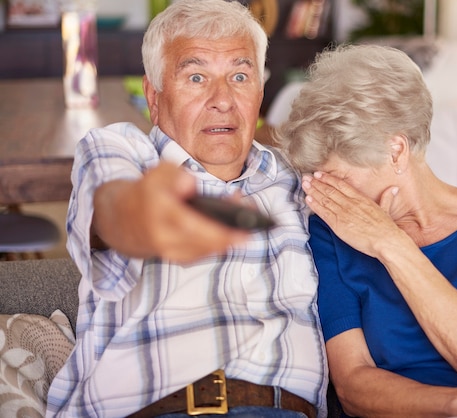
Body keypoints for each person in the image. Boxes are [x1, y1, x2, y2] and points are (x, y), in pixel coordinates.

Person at [46, 1, 327, 417]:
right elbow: (112, 206)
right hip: (154, 409)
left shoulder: (298, 177)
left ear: (260, 93)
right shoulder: (122, 150)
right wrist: (149, 217)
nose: (223, 100)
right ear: (153, 96)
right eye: (196, 77)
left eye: (239, 75)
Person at [276, 43, 457, 417]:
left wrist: (391, 245)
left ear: (396, 151)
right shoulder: (331, 236)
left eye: (339, 179)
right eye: (315, 181)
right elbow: (353, 386)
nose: (325, 197)